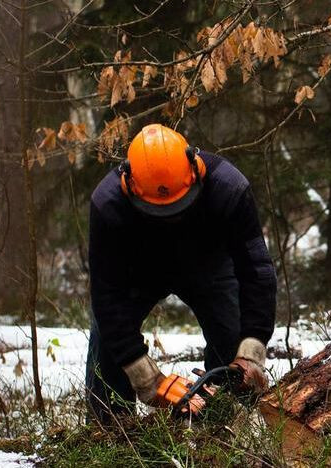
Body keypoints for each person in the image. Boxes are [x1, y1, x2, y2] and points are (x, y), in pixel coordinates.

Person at [85, 123, 276, 422]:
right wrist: (145, 376)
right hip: (138, 272)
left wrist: (252, 349)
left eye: (179, 207)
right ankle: (108, 431)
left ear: (196, 170)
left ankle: (222, 423)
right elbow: (107, 295)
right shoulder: (108, 204)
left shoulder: (229, 187)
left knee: (233, 338)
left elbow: (257, 272)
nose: (170, 218)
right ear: (129, 186)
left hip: (209, 264)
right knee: (107, 345)